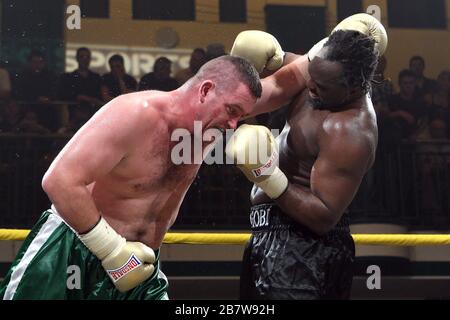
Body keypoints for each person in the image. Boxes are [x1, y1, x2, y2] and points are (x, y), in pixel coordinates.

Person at [0, 55, 261, 300]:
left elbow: (277, 89)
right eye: (233, 111)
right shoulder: (135, 113)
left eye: (241, 115)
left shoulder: (208, 127)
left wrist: (293, 61)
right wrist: (112, 251)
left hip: (141, 264)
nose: (233, 125)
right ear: (205, 90)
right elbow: (59, 180)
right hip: (73, 250)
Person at [226, 13, 387, 299]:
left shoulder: (350, 130)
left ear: (354, 88)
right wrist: (273, 59)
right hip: (269, 235)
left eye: (321, 86)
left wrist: (267, 175)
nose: (310, 87)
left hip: (306, 250)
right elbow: (278, 76)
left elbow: (324, 216)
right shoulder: (324, 73)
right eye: (312, 76)